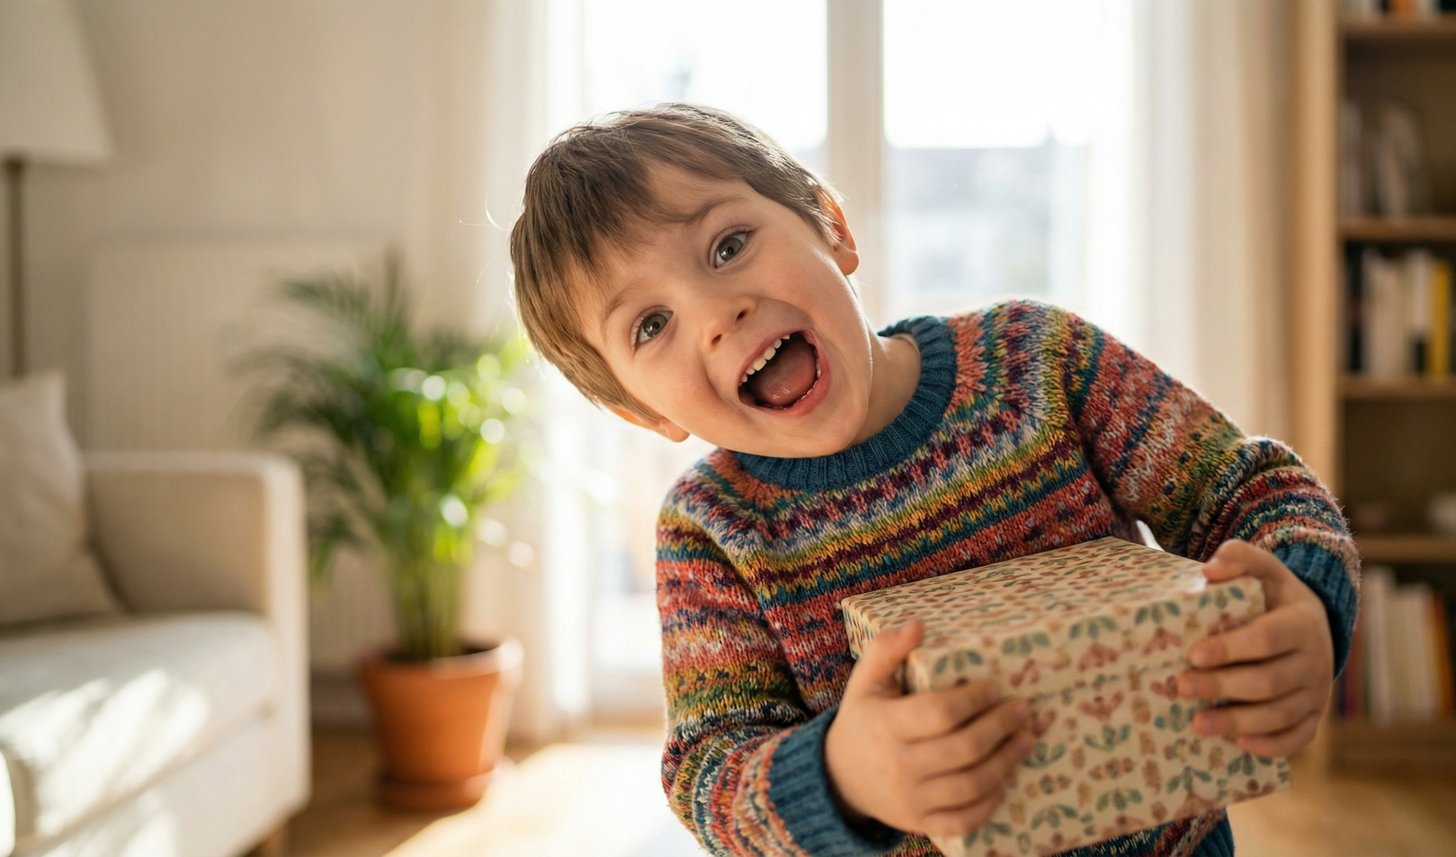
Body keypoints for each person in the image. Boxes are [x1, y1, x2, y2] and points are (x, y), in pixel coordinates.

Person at [509, 103, 1358, 857]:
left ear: (831, 226)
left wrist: (1307, 607)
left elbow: (1251, 489)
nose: (714, 313)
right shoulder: (711, 529)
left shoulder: (1038, 363)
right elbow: (710, 772)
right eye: (651, 323)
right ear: (638, 410)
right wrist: (840, 774)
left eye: (728, 245)